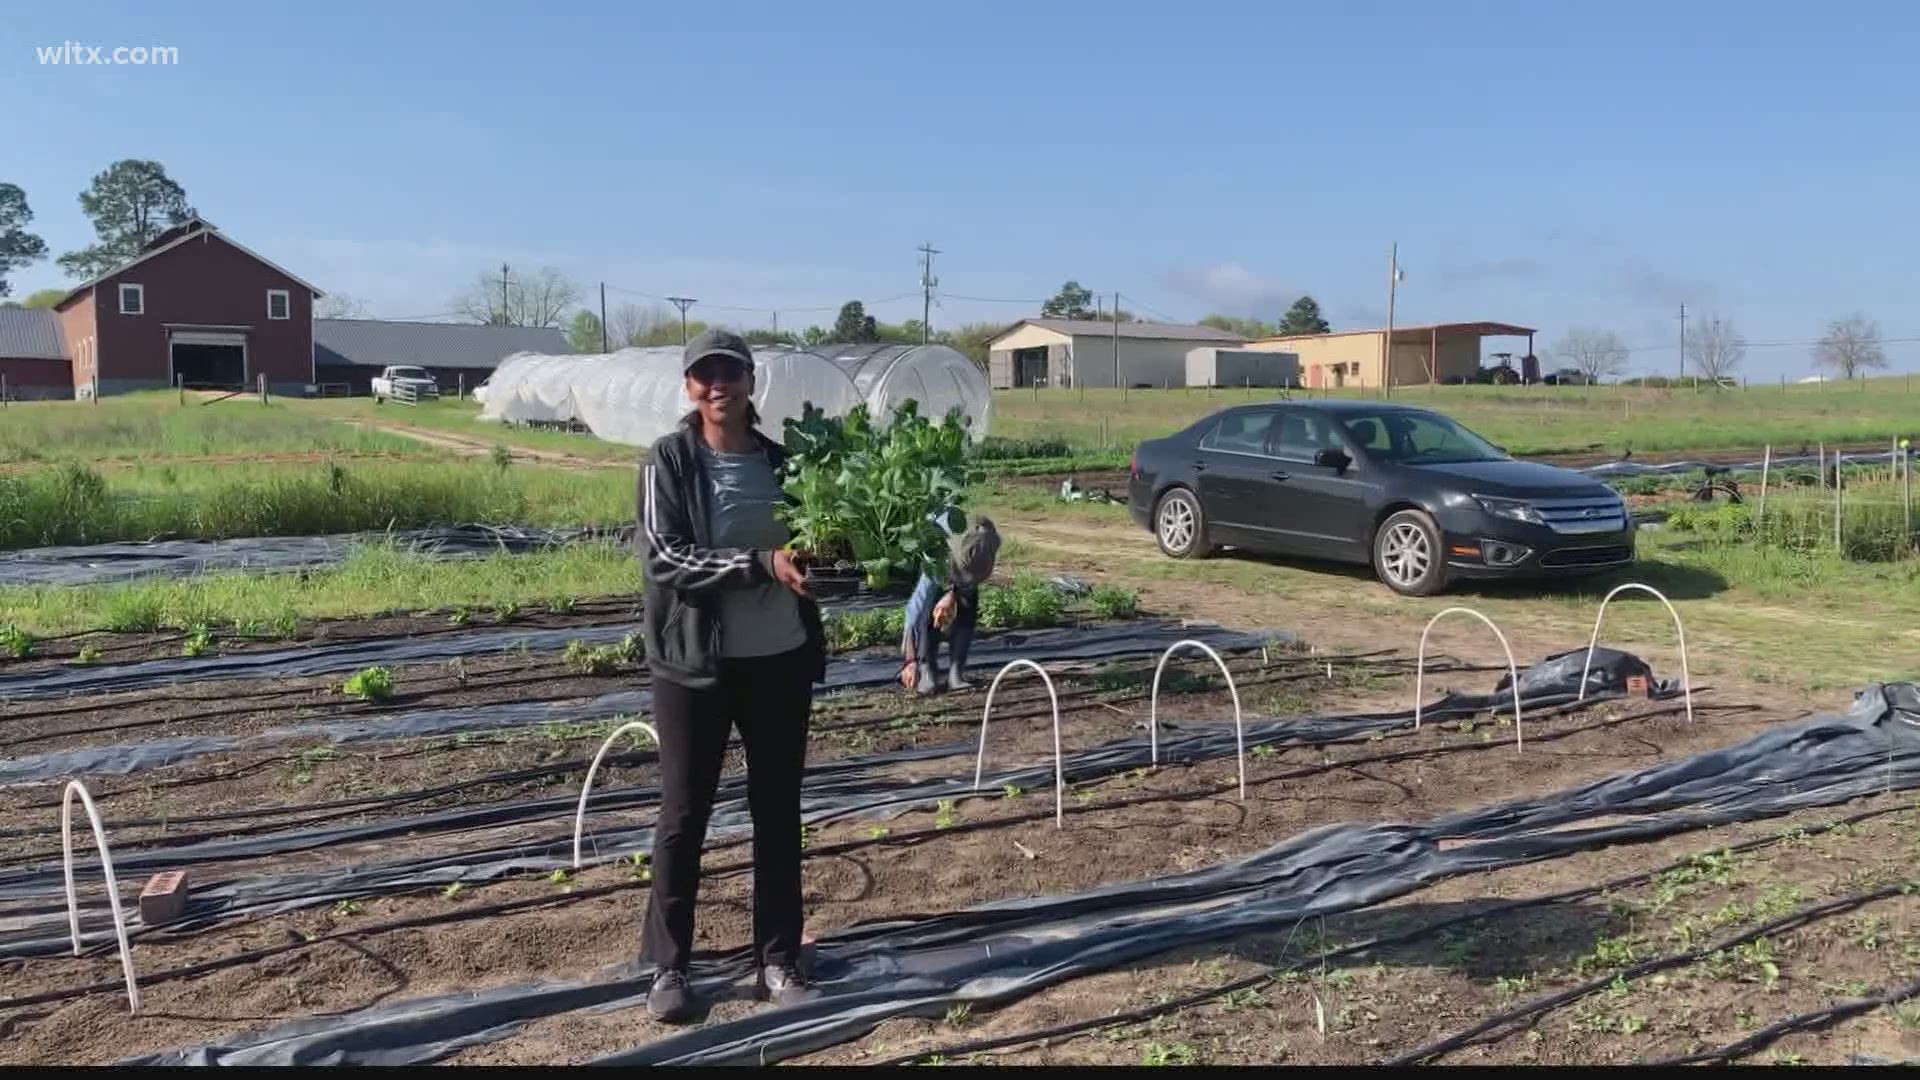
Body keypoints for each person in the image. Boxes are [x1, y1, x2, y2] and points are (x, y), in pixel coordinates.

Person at [638, 328, 827, 1023]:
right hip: (694, 667)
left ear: (751, 382)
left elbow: (819, 554)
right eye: (703, 375)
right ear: (689, 386)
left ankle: (776, 958)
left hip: (779, 659)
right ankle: (668, 966)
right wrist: (762, 564)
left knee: (777, 813)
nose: (717, 385)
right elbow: (665, 558)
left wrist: (843, 563)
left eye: (730, 373)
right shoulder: (669, 461)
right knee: (685, 816)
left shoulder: (787, 463)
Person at [900, 515, 1001, 694]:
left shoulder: (985, 545)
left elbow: (969, 575)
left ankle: (956, 674)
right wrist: (910, 660)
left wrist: (954, 592)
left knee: (967, 608)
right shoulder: (936, 556)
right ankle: (927, 672)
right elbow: (915, 611)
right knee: (931, 614)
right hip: (942, 556)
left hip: (964, 552)